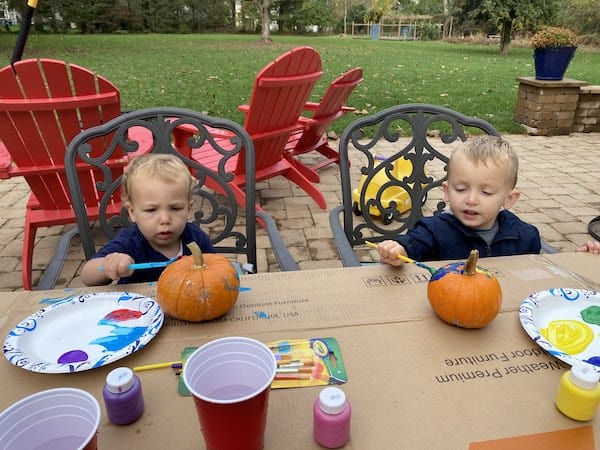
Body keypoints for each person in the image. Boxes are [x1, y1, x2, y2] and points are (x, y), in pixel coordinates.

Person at [377, 135, 600, 266]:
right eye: (461, 188)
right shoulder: (433, 230)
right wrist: (399, 250)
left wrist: (576, 262)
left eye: (486, 192)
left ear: (509, 198)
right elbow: (414, 245)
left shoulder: (525, 236)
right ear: (446, 191)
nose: (471, 200)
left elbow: (541, 274)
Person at [81, 153, 216, 285]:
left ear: (189, 209)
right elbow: (87, 275)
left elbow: (216, 269)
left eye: (175, 208)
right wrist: (110, 264)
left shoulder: (196, 239)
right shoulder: (130, 242)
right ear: (132, 212)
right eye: (151, 210)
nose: (165, 219)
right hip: (137, 305)